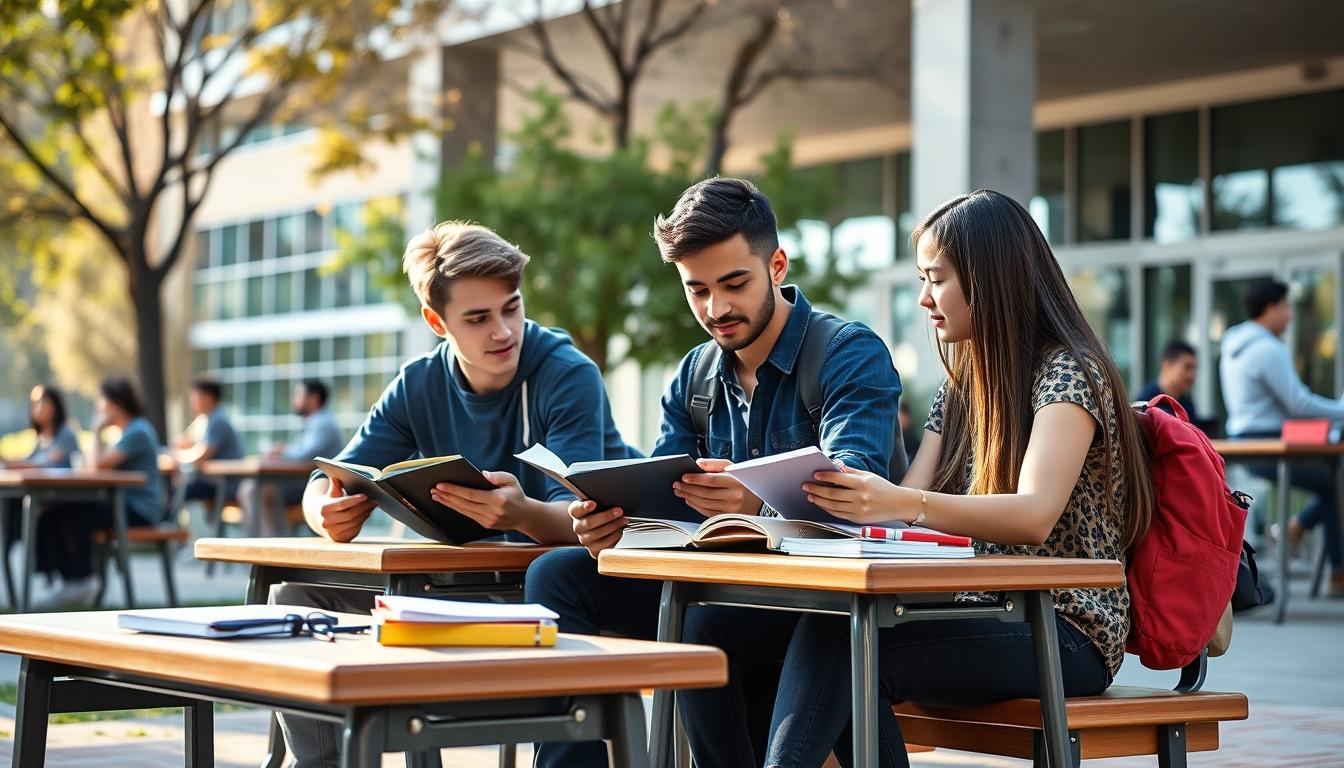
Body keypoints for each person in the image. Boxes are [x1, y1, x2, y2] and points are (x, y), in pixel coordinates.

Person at [762, 190, 1154, 768]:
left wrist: (903, 501)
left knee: (849, 647)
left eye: (935, 279)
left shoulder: (1071, 370)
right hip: (980, 612)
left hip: (1065, 630)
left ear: (990, 278)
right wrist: (826, 497)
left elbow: (1033, 512)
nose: (923, 299)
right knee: (836, 633)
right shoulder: (963, 386)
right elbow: (902, 508)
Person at [525, 177, 903, 768]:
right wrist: (615, 524)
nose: (715, 309)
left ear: (776, 265)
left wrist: (754, 500)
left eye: (734, 284)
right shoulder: (694, 375)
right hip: (716, 588)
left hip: (820, 606)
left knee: (700, 620)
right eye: (696, 290)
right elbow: (665, 500)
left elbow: (856, 487)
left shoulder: (848, 352)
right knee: (558, 576)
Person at [279, 221, 631, 767]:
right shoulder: (417, 383)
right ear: (437, 322)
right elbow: (328, 477)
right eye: (478, 318)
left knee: (552, 575)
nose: (503, 331)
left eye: (511, 308)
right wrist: (323, 512)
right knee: (297, 600)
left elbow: (589, 526)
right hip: (468, 585)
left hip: (571, 586)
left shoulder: (566, 374)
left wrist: (523, 513)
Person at [1220, 278, 1344, 596]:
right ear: (1271, 308)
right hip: (1274, 442)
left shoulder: (1234, 343)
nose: (1290, 314)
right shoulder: (1267, 348)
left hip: (1246, 440)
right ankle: (1334, 568)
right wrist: (1340, 409)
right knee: (1336, 481)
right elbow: (1298, 403)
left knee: (1333, 483)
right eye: (1287, 307)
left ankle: (1305, 534)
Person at [36, 378, 163, 607]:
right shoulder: (126, 432)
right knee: (51, 513)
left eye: (101, 400)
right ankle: (71, 581)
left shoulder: (138, 431)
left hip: (140, 509)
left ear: (116, 402)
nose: (99, 407)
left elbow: (96, 467)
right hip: (123, 504)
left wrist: (96, 431)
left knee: (74, 516)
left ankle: (81, 580)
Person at [237, 380, 344, 536]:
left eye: (298, 395)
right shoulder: (314, 422)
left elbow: (304, 455)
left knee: (256, 490)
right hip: (305, 481)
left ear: (313, 398)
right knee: (252, 488)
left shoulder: (323, 423)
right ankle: (269, 545)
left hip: (319, 485)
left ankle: (272, 547)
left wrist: (282, 450)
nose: (294, 400)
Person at [3, 385, 82, 550]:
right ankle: (14, 548)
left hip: (62, 498)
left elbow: (41, 464)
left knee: (21, 509)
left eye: (43, 402)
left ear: (55, 405)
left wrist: (13, 465)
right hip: (42, 496)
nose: (39, 408)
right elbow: (28, 461)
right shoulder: (40, 439)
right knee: (9, 504)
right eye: (35, 403)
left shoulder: (66, 434)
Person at [175, 377, 245, 505]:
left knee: (179, 490)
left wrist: (176, 457)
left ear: (209, 397)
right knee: (178, 486)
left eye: (195, 396)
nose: (192, 401)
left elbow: (201, 455)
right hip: (215, 480)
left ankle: (167, 524)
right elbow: (189, 444)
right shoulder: (206, 419)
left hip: (224, 483)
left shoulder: (218, 419)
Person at [1136, 339, 1198, 417]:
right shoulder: (1146, 402)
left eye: (1194, 368)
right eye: (1187, 367)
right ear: (1167, 365)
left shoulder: (1187, 403)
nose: (1192, 375)